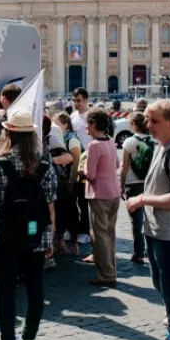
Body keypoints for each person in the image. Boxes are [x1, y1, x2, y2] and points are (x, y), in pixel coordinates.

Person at [0, 109, 57, 340]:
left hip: (5, 232)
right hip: (37, 233)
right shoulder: (45, 161)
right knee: (35, 287)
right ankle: (28, 337)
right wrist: (51, 235)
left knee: (6, 289)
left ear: (9, 133)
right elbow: (51, 203)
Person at [126, 100, 170, 340]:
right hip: (154, 229)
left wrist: (142, 199)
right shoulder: (159, 148)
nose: (148, 125)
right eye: (147, 120)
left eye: (154, 121)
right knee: (160, 283)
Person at [83, 108, 120, 287]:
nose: (86, 128)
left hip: (99, 193)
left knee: (98, 235)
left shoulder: (93, 146)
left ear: (94, 125)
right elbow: (117, 164)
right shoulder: (111, 142)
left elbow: (91, 175)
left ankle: (106, 275)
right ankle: (111, 269)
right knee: (109, 233)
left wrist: (83, 169)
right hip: (113, 192)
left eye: (88, 124)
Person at [120, 112, 152, 264]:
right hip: (150, 184)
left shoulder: (129, 142)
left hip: (133, 184)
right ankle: (151, 252)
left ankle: (139, 252)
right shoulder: (153, 140)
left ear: (134, 124)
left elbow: (124, 166)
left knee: (136, 221)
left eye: (129, 123)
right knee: (151, 219)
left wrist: (121, 184)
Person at [53, 112, 81, 255]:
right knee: (60, 211)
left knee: (71, 212)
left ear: (65, 124)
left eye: (57, 124)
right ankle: (61, 241)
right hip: (62, 183)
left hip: (70, 183)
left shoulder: (72, 139)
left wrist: (71, 183)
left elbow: (76, 162)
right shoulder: (60, 138)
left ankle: (74, 243)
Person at [70, 87, 92, 246]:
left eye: (79, 101)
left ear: (86, 100)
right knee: (76, 197)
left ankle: (85, 230)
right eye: (74, 100)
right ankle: (76, 228)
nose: (76, 104)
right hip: (76, 160)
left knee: (85, 200)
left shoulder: (92, 117)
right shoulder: (72, 117)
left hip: (90, 161)